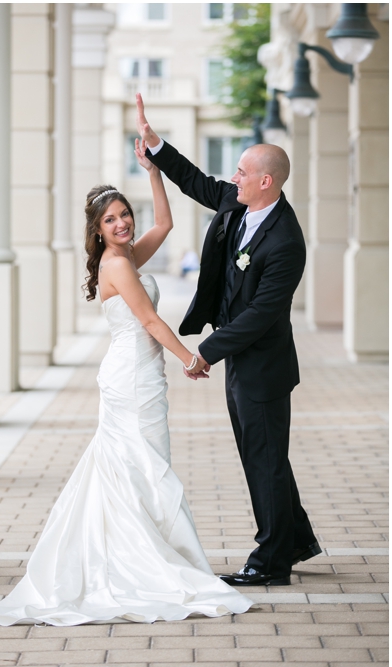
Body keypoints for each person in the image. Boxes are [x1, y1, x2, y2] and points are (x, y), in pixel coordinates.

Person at [0, 138, 253, 626]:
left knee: (138, 466)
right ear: (97, 230)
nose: (123, 223)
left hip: (134, 374)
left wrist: (153, 171)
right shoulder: (118, 263)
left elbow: (164, 223)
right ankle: (143, 561)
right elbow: (152, 323)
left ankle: (139, 549)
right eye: (112, 220)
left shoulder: (125, 257)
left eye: (124, 214)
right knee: (146, 465)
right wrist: (192, 360)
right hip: (134, 378)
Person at [136, 93, 320, 587]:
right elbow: (197, 182)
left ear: (267, 181)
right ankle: (295, 539)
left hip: (262, 364)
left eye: (241, 171)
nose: (232, 178)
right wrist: (156, 147)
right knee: (265, 457)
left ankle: (271, 562)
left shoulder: (285, 240)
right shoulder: (239, 206)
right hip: (240, 358)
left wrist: (204, 353)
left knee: (263, 459)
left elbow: (262, 313)